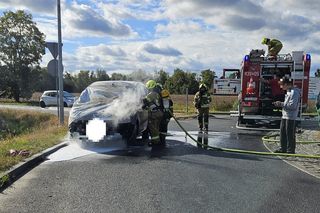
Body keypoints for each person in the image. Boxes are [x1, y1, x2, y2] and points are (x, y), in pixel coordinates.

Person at [273, 77, 300, 154]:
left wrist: (281, 104)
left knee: (289, 133)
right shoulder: (289, 91)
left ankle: (290, 150)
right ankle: (283, 148)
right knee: (283, 132)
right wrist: (282, 104)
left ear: (286, 84)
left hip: (290, 116)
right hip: (285, 115)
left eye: (282, 85)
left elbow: (292, 106)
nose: (281, 87)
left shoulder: (294, 92)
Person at [144, 80, 164, 147]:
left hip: (154, 114)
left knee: (153, 129)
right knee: (156, 128)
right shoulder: (157, 93)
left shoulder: (151, 94)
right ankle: (157, 141)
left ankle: (155, 143)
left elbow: (145, 101)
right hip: (159, 113)